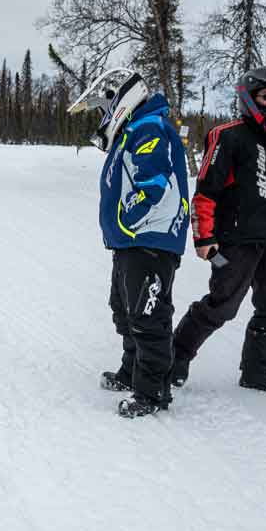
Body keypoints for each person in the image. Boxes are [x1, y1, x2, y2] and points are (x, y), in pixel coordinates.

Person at [170, 66, 266, 397]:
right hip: (235, 243)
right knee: (221, 306)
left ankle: (258, 371)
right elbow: (205, 192)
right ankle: (175, 357)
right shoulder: (228, 136)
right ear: (250, 99)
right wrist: (204, 237)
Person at [68, 69, 190, 417]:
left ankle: (152, 392)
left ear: (119, 101)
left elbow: (152, 184)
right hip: (131, 242)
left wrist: (126, 218)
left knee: (148, 316)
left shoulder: (148, 128)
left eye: (102, 109)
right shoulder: (134, 131)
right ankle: (130, 371)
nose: (101, 118)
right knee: (124, 310)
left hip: (151, 238)